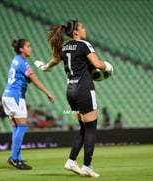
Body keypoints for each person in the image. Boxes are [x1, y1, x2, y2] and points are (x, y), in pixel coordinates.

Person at [35, 20, 113, 178]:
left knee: (83, 128)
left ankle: (71, 161)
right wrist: (109, 67)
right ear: (76, 32)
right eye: (82, 27)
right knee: (91, 129)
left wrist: (44, 67)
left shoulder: (64, 47)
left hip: (71, 91)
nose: (85, 29)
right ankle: (87, 166)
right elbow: (97, 64)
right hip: (84, 90)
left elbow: (54, 61)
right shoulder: (84, 45)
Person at [2, 39, 54, 170]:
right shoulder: (24, 64)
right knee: (23, 126)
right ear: (21, 49)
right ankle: (14, 158)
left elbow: (26, 79)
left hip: (7, 96)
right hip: (16, 97)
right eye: (28, 46)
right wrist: (48, 92)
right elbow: (35, 80)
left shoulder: (16, 60)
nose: (31, 48)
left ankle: (17, 158)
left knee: (16, 127)